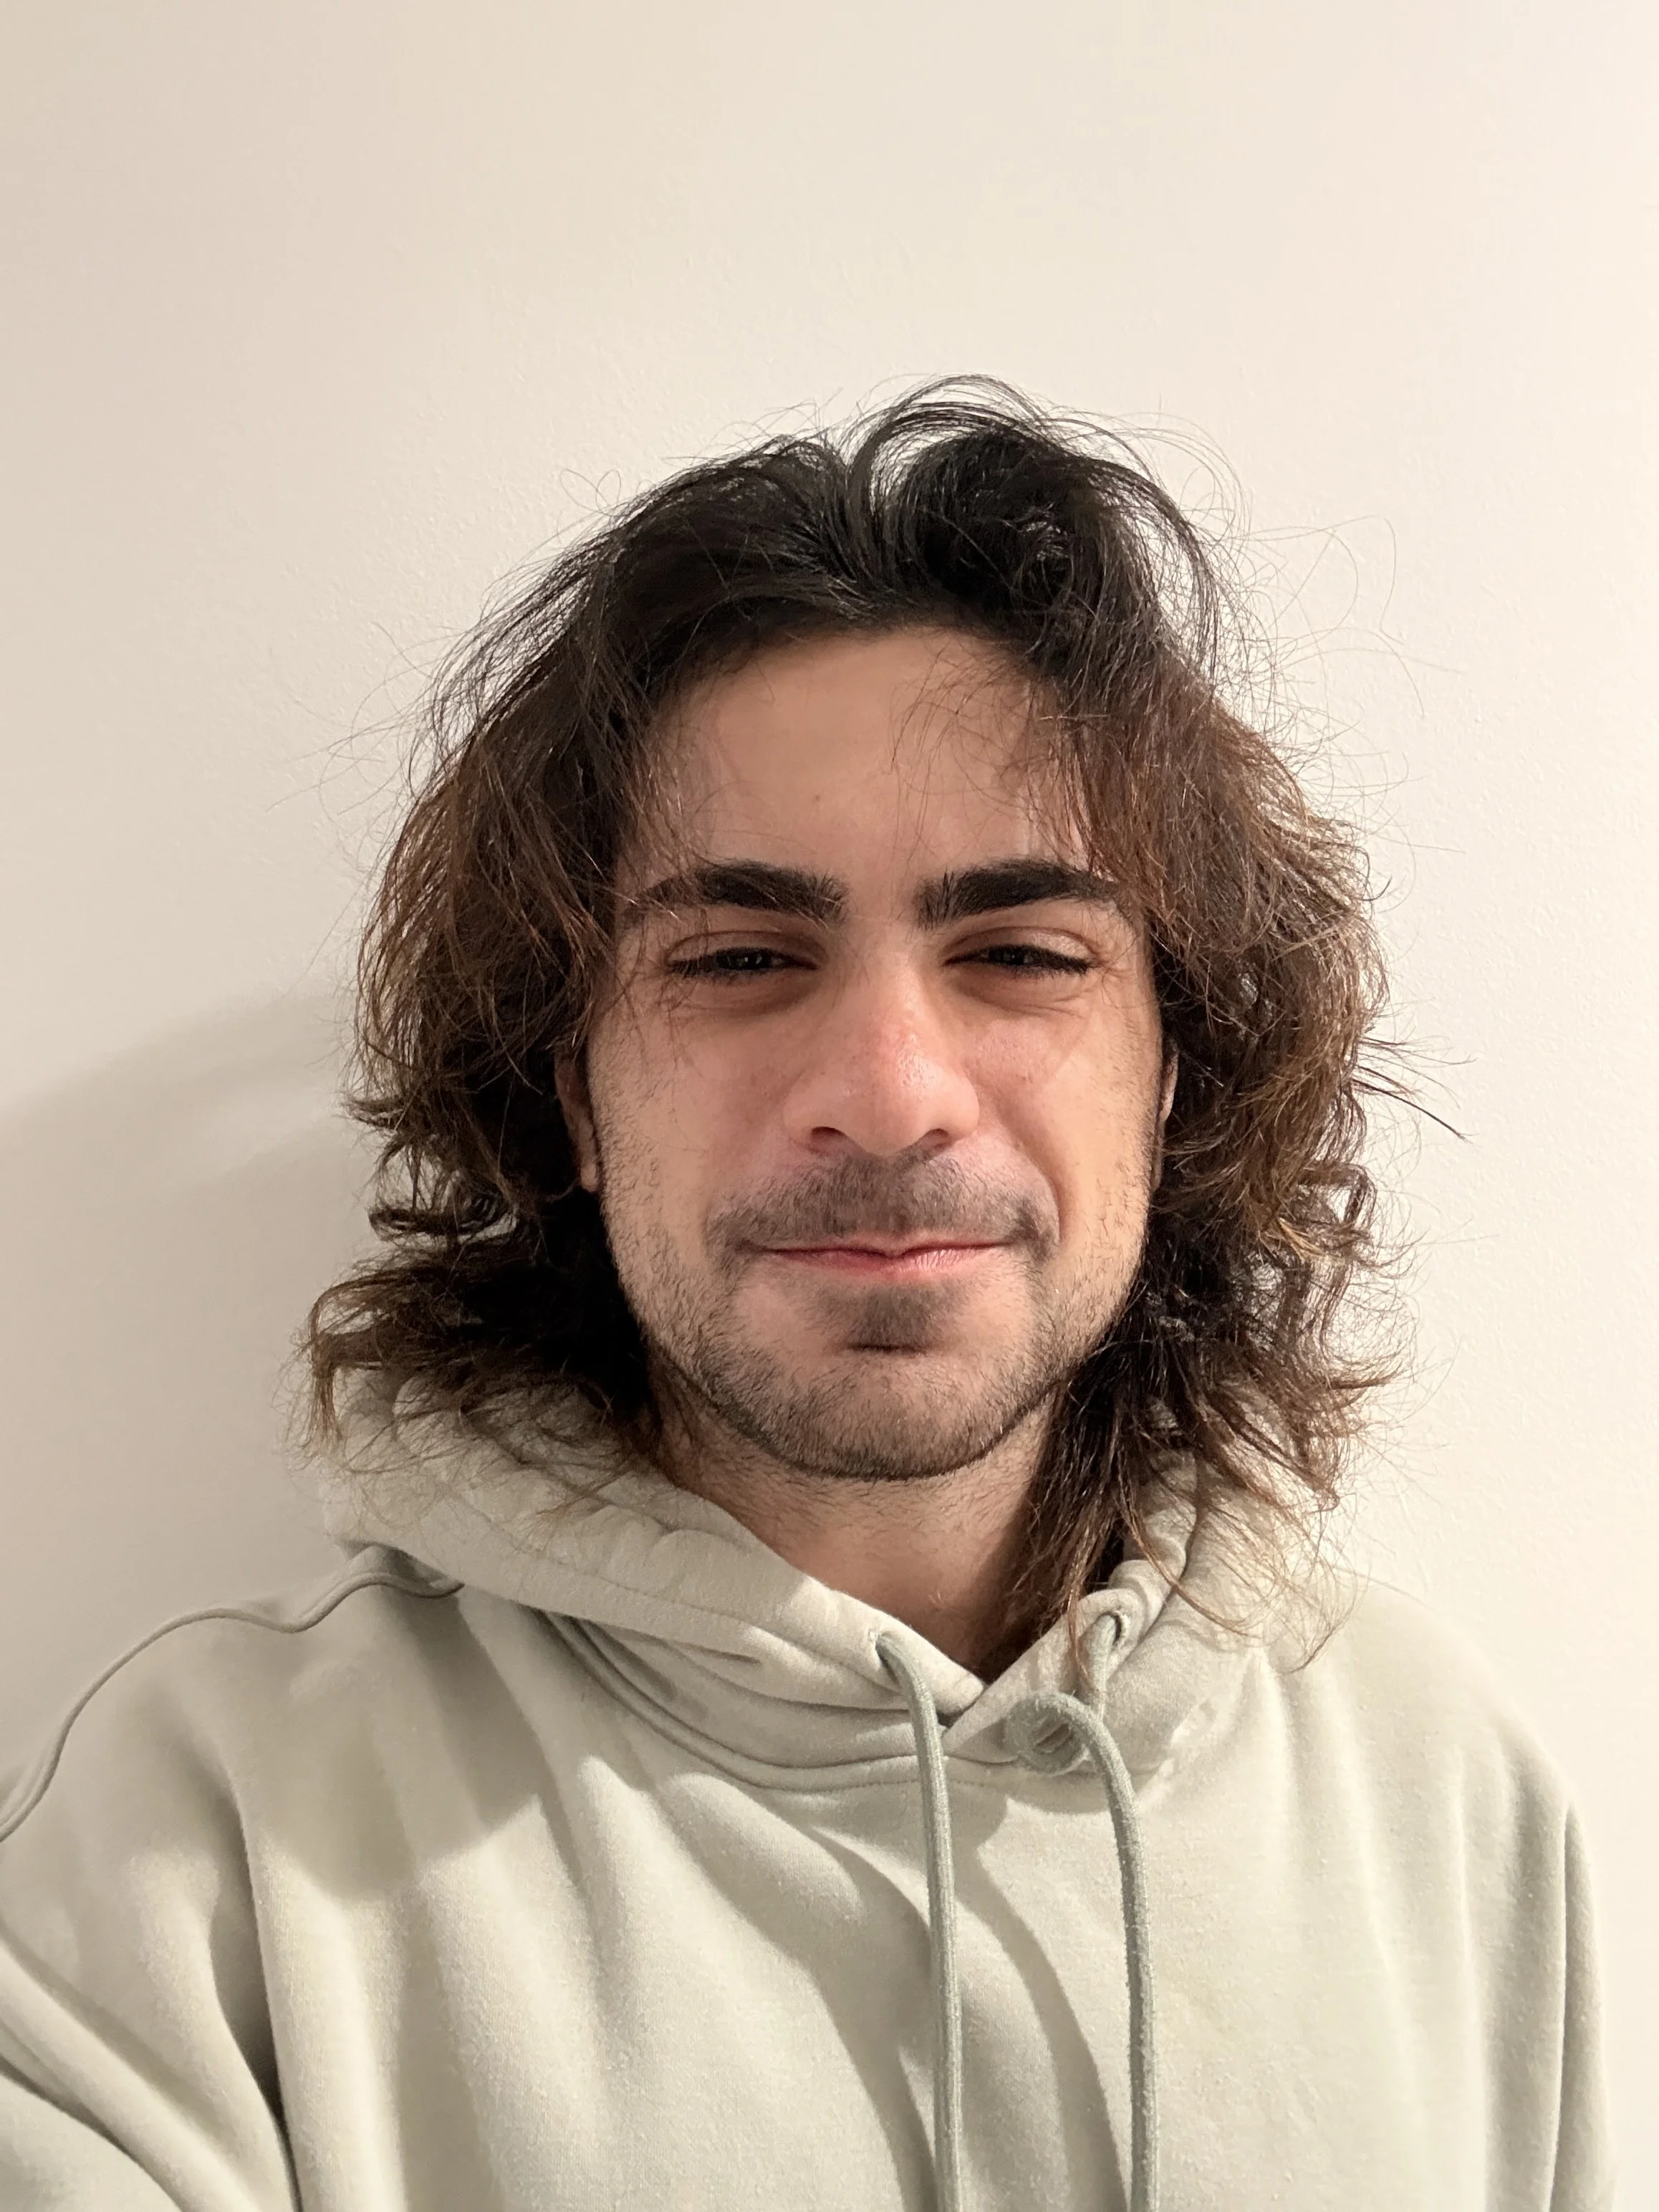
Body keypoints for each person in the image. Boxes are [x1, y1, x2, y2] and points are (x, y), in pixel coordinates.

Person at [0, 384, 1612, 2211]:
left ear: (1175, 1067)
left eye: (1019, 951)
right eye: (743, 955)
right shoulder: (198, 1852)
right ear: (569, 1090)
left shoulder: (1440, 1795)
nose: (892, 1084)